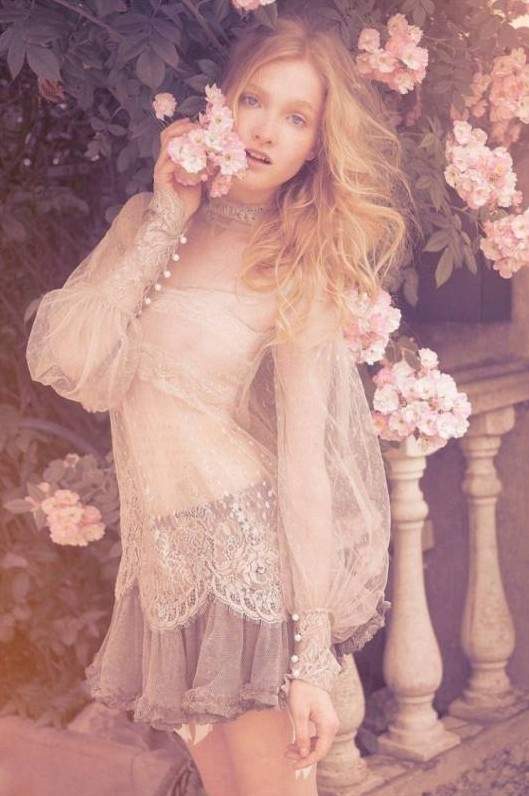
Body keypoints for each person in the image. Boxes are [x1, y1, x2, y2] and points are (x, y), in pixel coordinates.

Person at [26, 11, 416, 796]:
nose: (266, 130)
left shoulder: (296, 260)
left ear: (316, 145)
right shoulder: (151, 224)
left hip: (247, 564)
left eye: (296, 117)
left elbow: (303, 462)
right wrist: (167, 216)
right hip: (168, 568)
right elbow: (71, 360)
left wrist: (309, 658)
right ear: (220, 105)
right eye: (254, 101)